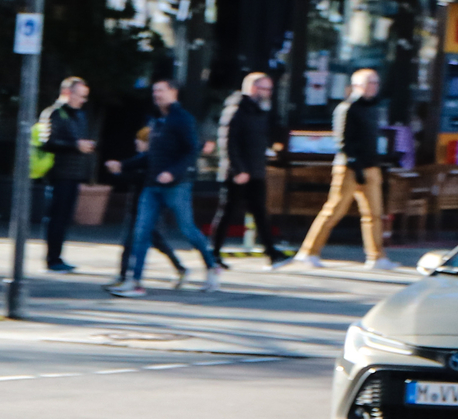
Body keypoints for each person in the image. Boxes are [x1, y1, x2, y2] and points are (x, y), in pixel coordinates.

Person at [107, 79, 226, 298]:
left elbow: (191, 151)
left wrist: (172, 172)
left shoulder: (182, 119)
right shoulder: (157, 120)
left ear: (174, 92)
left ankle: (211, 266)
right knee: (141, 232)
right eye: (154, 91)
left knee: (188, 229)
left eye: (161, 90)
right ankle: (135, 282)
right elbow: (150, 156)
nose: (157, 94)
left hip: (177, 186)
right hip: (152, 186)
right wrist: (123, 165)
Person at [279, 68, 396, 270]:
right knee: (334, 210)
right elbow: (342, 141)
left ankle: (376, 256)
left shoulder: (373, 108)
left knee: (374, 213)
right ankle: (308, 251)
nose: (374, 87)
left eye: (376, 83)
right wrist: (355, 164)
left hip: (371, 166)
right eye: (370, 83)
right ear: (358, 85)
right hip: (349, 167)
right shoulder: (347, 108)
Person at [209, 72, 286, 263]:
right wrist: (238, 169)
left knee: (260, 212)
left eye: (270, 89)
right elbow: (228, 142)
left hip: (256, 171)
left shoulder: (260, 110)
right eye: (264, 88)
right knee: (227, 213)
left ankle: (272, 253)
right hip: (238, 172)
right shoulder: (236, 109)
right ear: (252, 89)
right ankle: (214, 253)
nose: (268, 93)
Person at [107, 123, 192, 288]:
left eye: (140, 140)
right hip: (140, 207)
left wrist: (118, 173)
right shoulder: (145, 159)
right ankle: (180, 268)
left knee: (130, 242)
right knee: (157, 241)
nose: (136, 143)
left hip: (144, 208)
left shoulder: (150, 160)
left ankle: (124, 276)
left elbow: (137, 178)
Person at [36, 77, 98, 272]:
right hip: (59, 173)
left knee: (65, 218)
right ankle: (53, 259)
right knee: (57, 217)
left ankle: (58, 256)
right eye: (80, 96)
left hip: (74, 173)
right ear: (68, 93)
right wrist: (76, 146)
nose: (83, 100)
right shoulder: (54, 113)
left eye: (85, 97)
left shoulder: (79, 115)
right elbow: (47, 143)